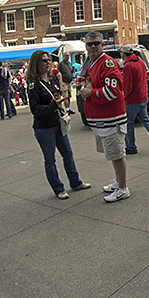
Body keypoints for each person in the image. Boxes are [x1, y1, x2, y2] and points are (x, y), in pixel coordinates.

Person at [25, 51, 90, 199]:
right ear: (36, 63)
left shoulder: (52, 79)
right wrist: (53, 106)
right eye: (44, 61)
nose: (48, 63)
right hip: (44, 127)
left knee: (68, 154)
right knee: (50, 160)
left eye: (48, 60)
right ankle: (58, 188)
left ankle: (75, 182)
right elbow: (35, 109)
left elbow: (56, 96)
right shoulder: (33, 85)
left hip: (58, 123)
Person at [77, 31, 130, 203]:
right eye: (89, 44)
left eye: (96, 43)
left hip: (111, 118)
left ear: (102, 44)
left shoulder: (107, 63)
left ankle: (123, 188)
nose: (93, 47)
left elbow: (113, 91)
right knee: (112, 154)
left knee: (116, 153)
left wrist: (90, 93)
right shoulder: (92, 64)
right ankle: (118, 182)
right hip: (102, 120)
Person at [122, 45, 149, 154]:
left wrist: (124, 96)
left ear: (123, 54)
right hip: (143, 97)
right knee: (145, 120)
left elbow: (128, 85)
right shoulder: (140, 62)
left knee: (128, 123)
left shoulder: (128, 66)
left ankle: (131, 146)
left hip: (132, 99)